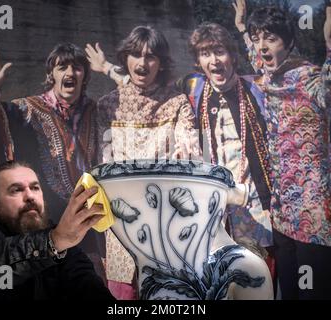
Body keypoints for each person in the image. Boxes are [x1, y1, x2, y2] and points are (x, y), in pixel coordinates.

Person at [86, 24, 274, 267]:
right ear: (198, 61)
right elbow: (142, 83)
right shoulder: (193, 88)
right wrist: (107, 68)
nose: (214, 60)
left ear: (233, 55)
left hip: (252, 205)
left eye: (220, 51)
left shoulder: (256, 88)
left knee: (255, 278)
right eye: (206, 54)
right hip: (210, 210)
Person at [233, 0, 331, 299]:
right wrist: (242, 25)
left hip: (315, 214)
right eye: (258, 38)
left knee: (315, 295)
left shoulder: (310, 78)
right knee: (290, 293)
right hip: (283, 213)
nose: (262, 47)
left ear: (289, 42)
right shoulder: (268, 75)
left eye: (271, 38)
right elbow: (255, 53)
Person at [0, 41, 105, 274]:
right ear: (50, 74)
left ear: (85, 76)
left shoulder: (97, 111)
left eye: (77, 67)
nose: (70, 73)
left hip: (91, 220)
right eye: (62, 67)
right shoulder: (27, 110)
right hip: (47, 221)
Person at [95, 26, 200, 300]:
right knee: (123, 293)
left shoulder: (177, 103)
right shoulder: (108, 105)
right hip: (122, 216)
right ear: (125, 58)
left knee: (168, 295)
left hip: (165, 216)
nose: (142, 63)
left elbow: (189, 149)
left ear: (162, 63)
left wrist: (186, 154)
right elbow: (104, 161)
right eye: (135, 54)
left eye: (151, 56)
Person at [0, 161, 115, 300]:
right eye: (16, 190)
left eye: (35, 188)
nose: (30, 196)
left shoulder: (64, 244)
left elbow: (90, 290)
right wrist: (53, 242)